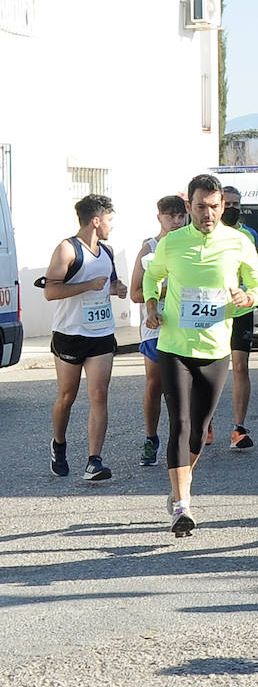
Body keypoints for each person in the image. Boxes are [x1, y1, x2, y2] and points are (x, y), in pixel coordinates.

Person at [142, 173, 258, 535]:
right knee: (179, 424)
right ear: (189, 206)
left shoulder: (238, 241)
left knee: (198, 431)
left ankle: (181, 480)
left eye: (214, 207)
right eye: (200, 207)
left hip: (215, 348)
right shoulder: (172, 242)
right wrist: (152, 302)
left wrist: (247, 298)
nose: (207, 214)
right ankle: (183, 505)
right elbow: (153, 277)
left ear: (223, 206)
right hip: (174, 347)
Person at [43, 193, 126, 481]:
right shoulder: (67, 250)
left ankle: (94, 461)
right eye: (109, 220)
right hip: (70, 333)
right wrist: (88, 285)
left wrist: (117, 288)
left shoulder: (108, 251)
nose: (111, 226)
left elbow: (111, 283)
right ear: (96, 220)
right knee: (67, 396)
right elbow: (51, 291)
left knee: (99, 395)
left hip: (101, 333)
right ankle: (59, 444)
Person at [130, 195, 188, 467]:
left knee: (183, 386)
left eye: (180, 216)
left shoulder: (190, 245)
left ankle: (185, 436)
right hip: (156, 327)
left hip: (186, 325)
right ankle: (151, 438)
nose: (176, 222)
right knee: (155, 383)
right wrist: (164, 291)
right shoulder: (149, 248)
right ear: (159, 218)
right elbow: (135, 294)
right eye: (170, 217)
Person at [220, 198, 258, 450]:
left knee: (240, 366)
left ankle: (239, 427)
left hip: (241, 308)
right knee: (206, 368)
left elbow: (256, 271)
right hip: (213, 310)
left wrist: (249, 294)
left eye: (236, 203)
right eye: (227, 203)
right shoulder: (206, 234)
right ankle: (206, 420)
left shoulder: (247, 235)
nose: (231, 208)